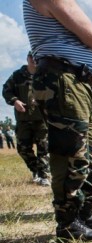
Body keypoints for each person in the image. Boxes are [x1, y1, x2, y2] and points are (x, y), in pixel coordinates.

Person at [23, 0, 92, 241]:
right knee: (72, 155)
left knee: (90, 156)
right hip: (63, 79)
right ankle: (68, 223)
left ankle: (84, 215)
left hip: (78, 82)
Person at [3, 52, 51, 185]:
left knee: (44, 148)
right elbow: (6, 90)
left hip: (41, 119)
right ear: (27, 58)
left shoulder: (45, 75)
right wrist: (15, 101)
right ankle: (36, 169)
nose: (34, 60)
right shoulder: (17, 75)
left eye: (37, 58)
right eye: (31, 57)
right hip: (23, 118)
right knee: (23, 149)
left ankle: (44, 176)